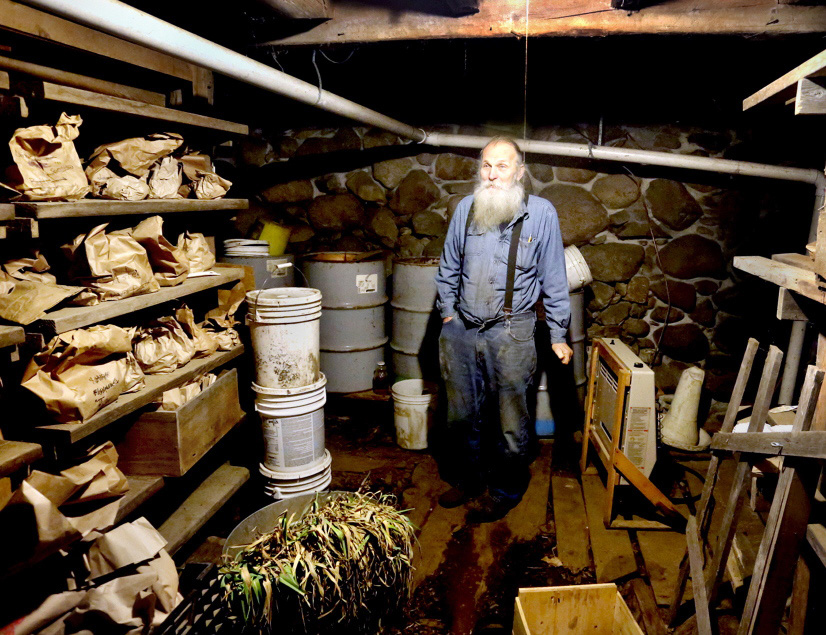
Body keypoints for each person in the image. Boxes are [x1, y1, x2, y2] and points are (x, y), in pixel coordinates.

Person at [434, 136, 572, 523]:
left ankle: (506, 490)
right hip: (461, 329)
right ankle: (469, 480)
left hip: (513, 331)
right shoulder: (467, 208)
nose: (493, 175)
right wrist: (448, 314)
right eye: (486, 166)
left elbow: (555, 278)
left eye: (502, 166)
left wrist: (559, 334)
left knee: (511, 421)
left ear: (520, 172)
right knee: (461, 416)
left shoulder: (541, 213)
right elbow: (448, 267)